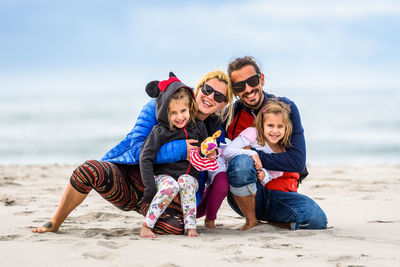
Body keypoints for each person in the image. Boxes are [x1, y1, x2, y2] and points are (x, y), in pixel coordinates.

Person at [32, 70, 234, 235]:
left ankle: (149, 212)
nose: (210, 97)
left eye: (218, 96)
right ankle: (55, 221)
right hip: (132, 176)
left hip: (166, 191)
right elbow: (137, 147)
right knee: (88, 170)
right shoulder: (161, 104)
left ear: (224, 103)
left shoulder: (212, 128)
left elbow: (205, 171)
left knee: (173, 227)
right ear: (199, 88)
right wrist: (181, 150)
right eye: (207, 90)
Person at [225, 56, 327, 231]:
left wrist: (256, 155)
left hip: (282, 194)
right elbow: (203, 130)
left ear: (261, 79)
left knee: (317, 220)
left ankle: (273, 221)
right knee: (241, 162)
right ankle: (252, 220)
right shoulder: (230, 115)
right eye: (240, 86)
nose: (248, 89)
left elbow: (296, 161)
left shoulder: (286, 108)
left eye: (252, 81)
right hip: (247, 194)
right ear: (234, 91)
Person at [139, 74, 219, 238]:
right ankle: (147, 225)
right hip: (163, 176)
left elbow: (204, 153)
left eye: (183, 111)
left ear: (190, 107)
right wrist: (150, 188)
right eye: (173, 113)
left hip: (189, 176)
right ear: (165, 112)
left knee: (185, 182)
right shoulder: (159, 131)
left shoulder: (199, 127)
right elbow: (145, 157)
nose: (180, 117)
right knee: (172, 186)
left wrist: (210, 153)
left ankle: (191, 227)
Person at [223, 99, 300, 200]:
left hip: (256, 190)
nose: (275, 131)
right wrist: (252, 153)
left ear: (286, 129)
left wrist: (264, 175)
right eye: (270, 125)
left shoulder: (282, 152)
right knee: (243, 160)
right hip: (235, 182)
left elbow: (271, 177)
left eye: (280, 126)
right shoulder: (253, 134)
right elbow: (227, 152)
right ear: (262, 125)